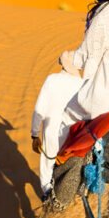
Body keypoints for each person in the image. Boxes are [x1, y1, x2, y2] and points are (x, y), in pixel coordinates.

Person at [31, 65, 82, 196]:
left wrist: (34, 134)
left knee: (47, 164)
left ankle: (47, 194)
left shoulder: (52, 79)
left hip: (51, 129)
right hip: (72, 133)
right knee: (67, 164)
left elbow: (39, 108)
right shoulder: (81, 83)